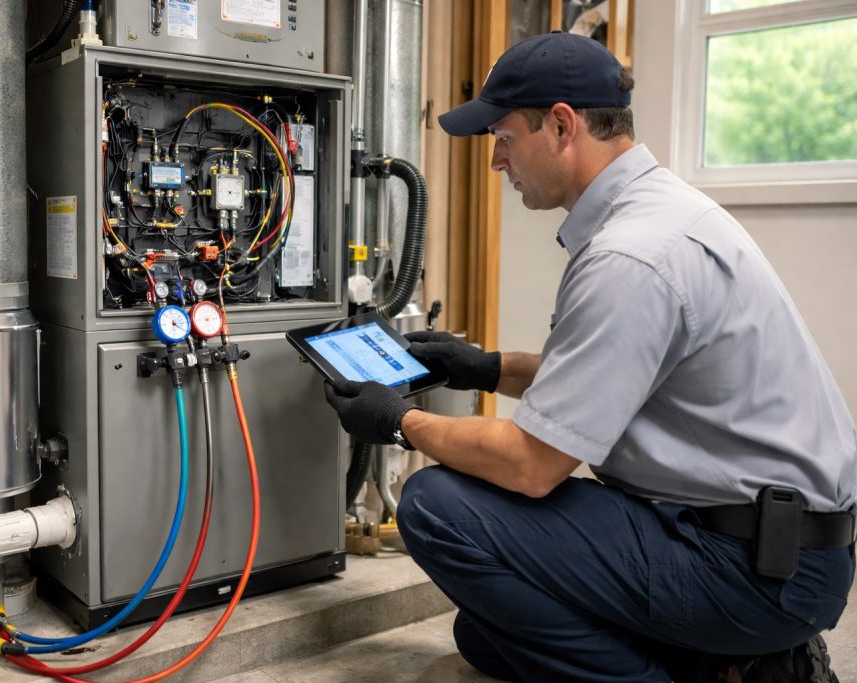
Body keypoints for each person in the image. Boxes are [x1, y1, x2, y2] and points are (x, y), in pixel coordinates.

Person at [323, 31, 856, 683]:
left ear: (561, 125)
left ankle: (718, 657)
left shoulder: (632, 255)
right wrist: (486, 366)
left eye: (504, 136)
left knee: (435, 503)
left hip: (753, 566)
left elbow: (532, 465)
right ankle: (737, 665)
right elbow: (616, 380)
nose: (496, 161)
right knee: (487, 632)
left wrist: (398, 421)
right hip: (771, 545)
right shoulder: (664, 214)